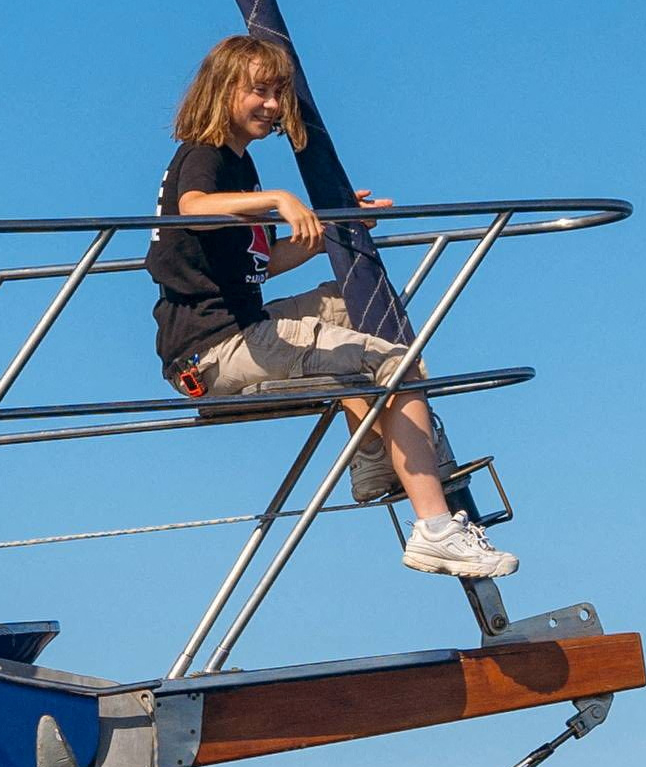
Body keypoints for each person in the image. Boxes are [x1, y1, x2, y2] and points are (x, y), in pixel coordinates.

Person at [145, 35, 518, 579]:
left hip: (239, 326)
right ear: (223, 90)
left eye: (279, 93)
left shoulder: (238, 166)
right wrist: (280, 199)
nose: (273, 105)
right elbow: (194, 209)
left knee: (355, 303)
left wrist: (333, 226)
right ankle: (436, 530)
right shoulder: (206, 156)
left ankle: (373, 461)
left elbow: (258, 264)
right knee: (395, 363)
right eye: (260, 91)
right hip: (214, 351)